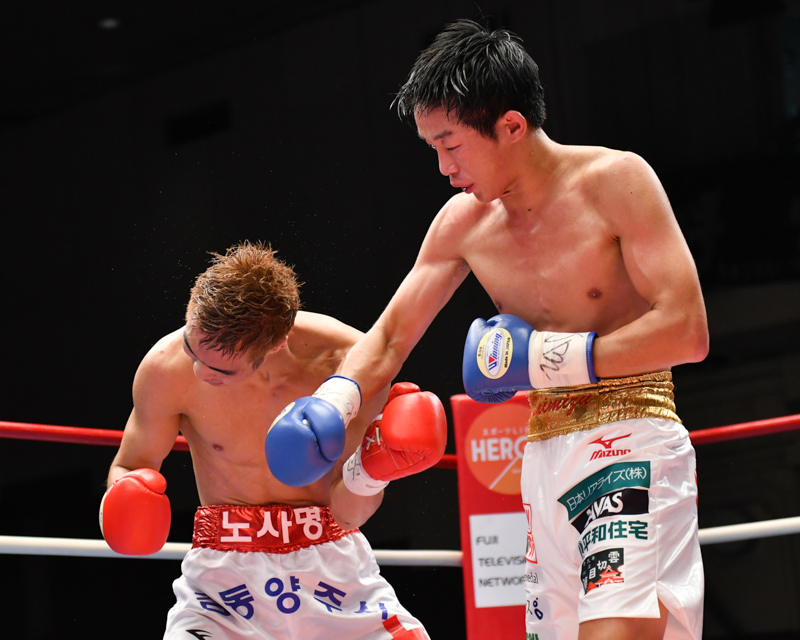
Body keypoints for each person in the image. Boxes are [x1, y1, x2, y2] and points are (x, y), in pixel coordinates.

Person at [269, 19, 709, 640]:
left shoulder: (616, 182)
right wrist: (333, 403)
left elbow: (687, 331)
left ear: (510, 125)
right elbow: (391, 338)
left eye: (451, 145)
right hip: (543, 453)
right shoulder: (463, 224)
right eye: (433, 149)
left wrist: (545, 359)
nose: (445, 168)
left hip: (630, 435)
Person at [100, 241, 447, 640]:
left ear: (276, 344)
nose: (197, 371)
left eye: (219, 370)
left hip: (333, 569)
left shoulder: (348, 364)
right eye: (191, 348)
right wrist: (124, 494)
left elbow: (350, 515)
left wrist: (373, 470)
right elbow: (130, 464)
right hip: (222, 583)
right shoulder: (165, 367)